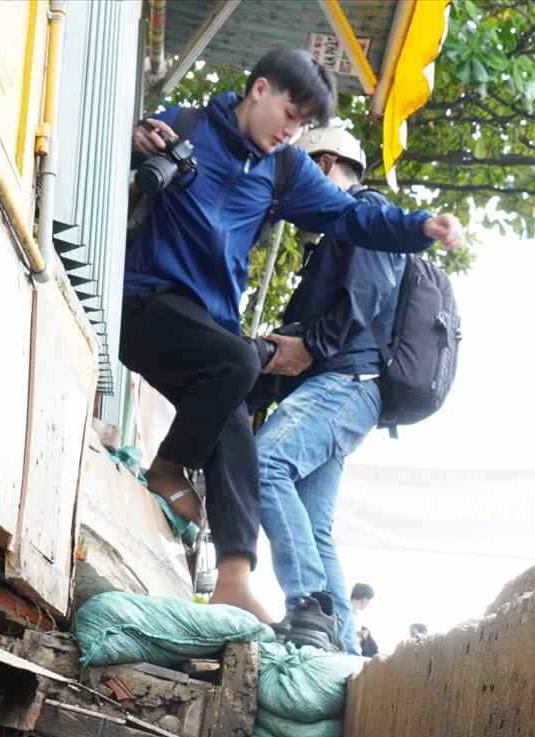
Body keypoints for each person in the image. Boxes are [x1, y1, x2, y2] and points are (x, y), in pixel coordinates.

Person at [121, 48, 463, 622]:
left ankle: (234, 576)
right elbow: (118, 154)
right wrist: (134, 139)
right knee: (240, 364)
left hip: (208, 329)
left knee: (236, 421)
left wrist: (419, 227)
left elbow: (351, 216)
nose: (291, 130)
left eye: (304, 124)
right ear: (258, 90)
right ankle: (168, 466)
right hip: (145, 303)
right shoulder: (184, 125)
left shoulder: (285, 170)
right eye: (289, 112)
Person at [253, 130, 402, 653]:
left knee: (264, 464)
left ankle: (309, 607)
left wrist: (312, 346)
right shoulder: (344, 228)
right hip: (342, 390)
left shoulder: (367, 215)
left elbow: (366, 295)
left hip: (344, 384)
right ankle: (337, 655)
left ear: (323, 162)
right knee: (315, 527)